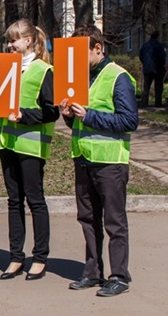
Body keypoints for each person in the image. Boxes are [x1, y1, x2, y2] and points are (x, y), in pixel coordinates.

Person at [60, 25, 139, 297]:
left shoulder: (118, 77)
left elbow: (130, 120)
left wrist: (89, 115)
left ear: (97, 47)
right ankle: (93, 272)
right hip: (82, 157)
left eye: (80, 53)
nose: (76, 60)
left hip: (110, 161)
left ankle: (119, 276)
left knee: (114, 221)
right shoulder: (78, 78)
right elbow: (77, 123)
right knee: (87, 218)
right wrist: (68, 115)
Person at [0, 19, 59, 280]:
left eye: (14, 40)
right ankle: (16, 257)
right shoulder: (5, 70)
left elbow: (51, 112)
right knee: (13, 201)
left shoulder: (44, 70)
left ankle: (40, 257)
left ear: (28, 41)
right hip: (7, 143)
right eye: (8, 40)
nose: (9, 45)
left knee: (35, 200)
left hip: (31, 146)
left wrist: (23, 115)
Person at [139, 31, 167, 107]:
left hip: (147, 69)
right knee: (158, 87)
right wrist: (162, 66)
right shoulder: (159, 46)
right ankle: (158, 103)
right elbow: (162, 57)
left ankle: (144, 103)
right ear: (157, 37)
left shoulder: (145, 45)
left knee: (146, 87)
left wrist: (145, 63)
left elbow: (141, 56)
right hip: (157, 69)